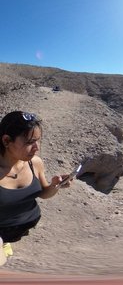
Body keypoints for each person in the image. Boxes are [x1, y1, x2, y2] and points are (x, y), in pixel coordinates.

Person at [0, 111, 72, 266]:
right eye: (29, 142)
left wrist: (54, 186)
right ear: (6, 140)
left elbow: (43, 193)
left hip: (25, 224)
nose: (36, 148)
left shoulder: (35, 163)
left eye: (38, 141)